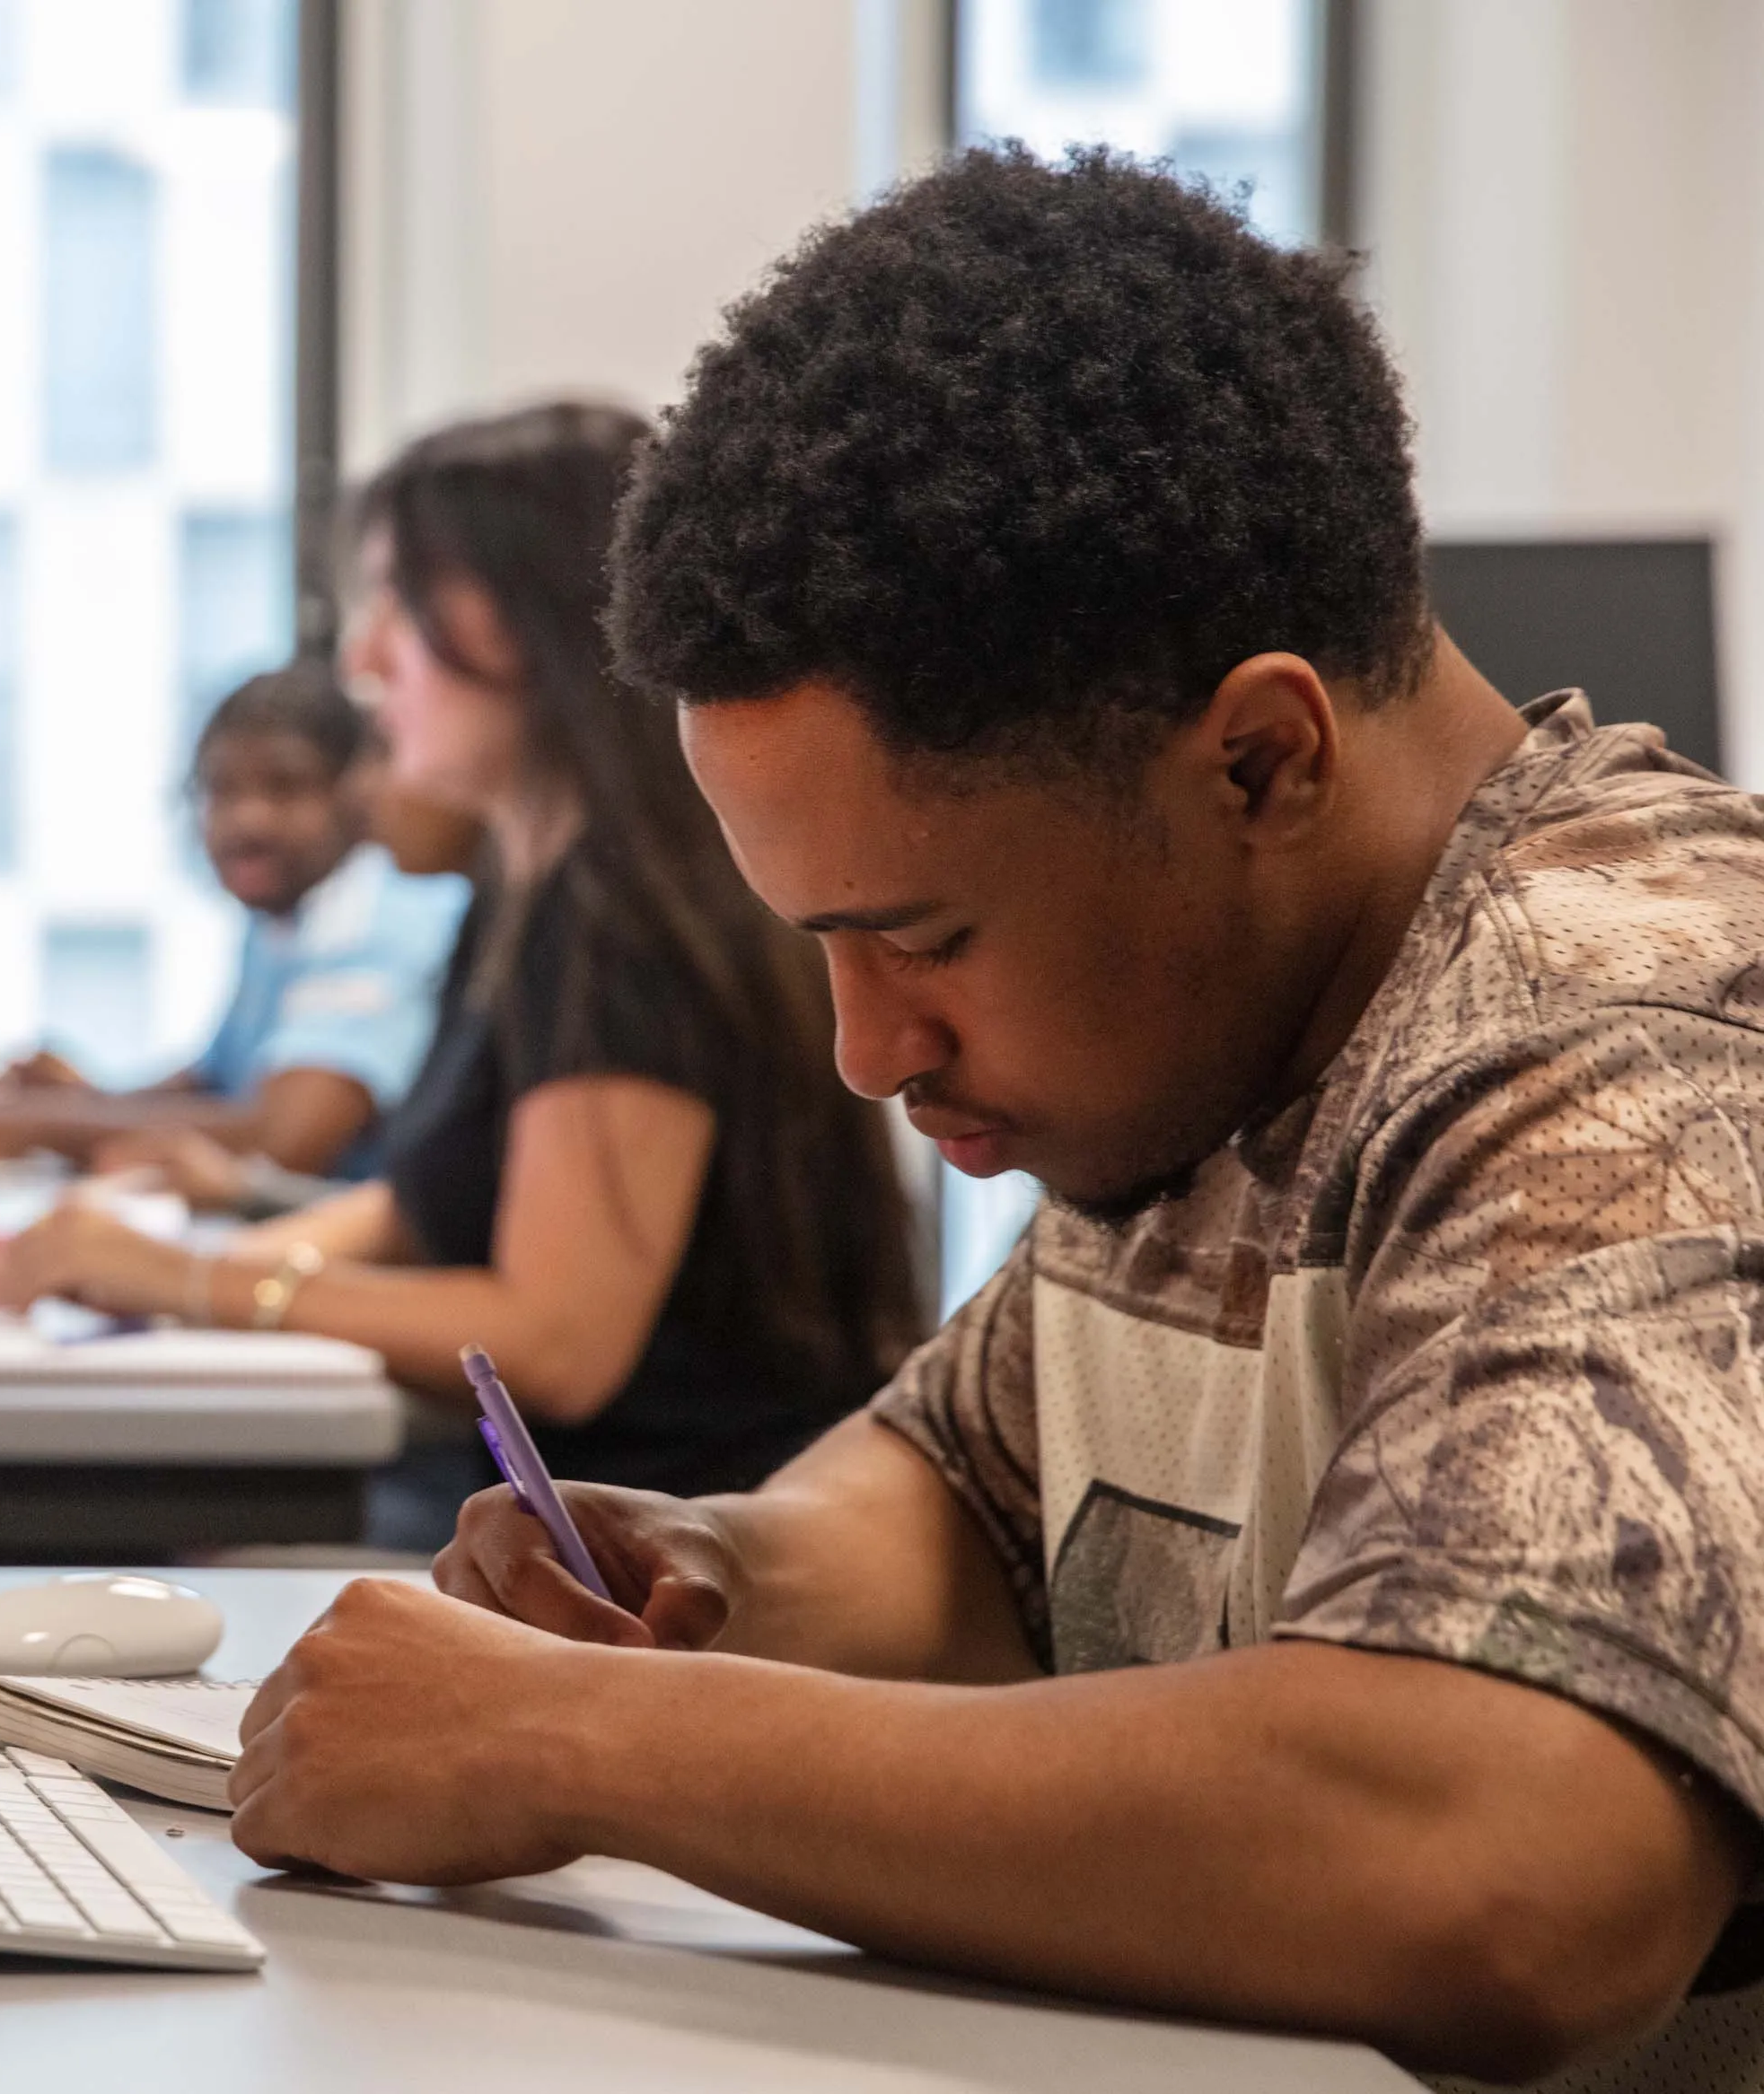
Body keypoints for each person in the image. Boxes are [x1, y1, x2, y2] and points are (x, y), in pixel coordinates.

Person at [224, 149, 1764, 2089]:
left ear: (1259, 759)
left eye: (921, 935)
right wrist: (708, 1567)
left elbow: (1512, 1858)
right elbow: (966, 1490)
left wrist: (560, 1739)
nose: (867, 1049)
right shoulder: (1213, 1014)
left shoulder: (1626, 1015)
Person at [0, 402, 923, 1546]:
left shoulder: (622, 929)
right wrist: (161, 1260)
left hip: (653, 1554)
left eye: (394, 603)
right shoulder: (530, 894)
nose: (367, 660)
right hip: (552, 1518)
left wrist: (193, 1284)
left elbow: (557, 1343)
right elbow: (431, 1200)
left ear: (506, 623)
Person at [0, 661, 470, 1181]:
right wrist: (92, 1100)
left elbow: (284, 1138)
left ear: (355, 792)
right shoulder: (284, 918)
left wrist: (33, 1125)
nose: (247, 819)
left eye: (285, 787)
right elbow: (216, 1084)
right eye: (222, 790)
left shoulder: (380, 911)